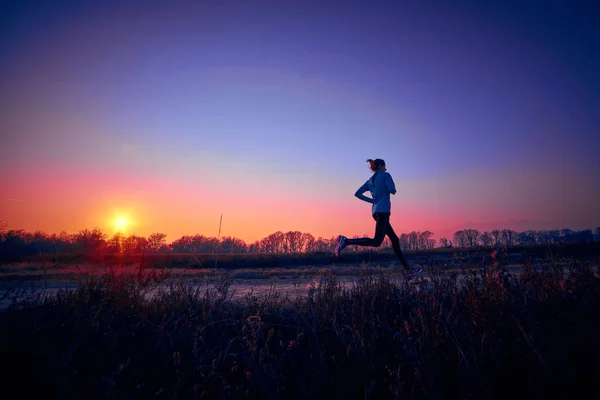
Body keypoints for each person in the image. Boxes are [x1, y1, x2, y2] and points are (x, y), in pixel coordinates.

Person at [335, 158, 423, 278]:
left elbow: (357, 193)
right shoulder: (386, 175)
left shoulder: (370, 181)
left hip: (376, 212)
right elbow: (393, 190)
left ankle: (407, 269)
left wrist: (372, 200)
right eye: (384, 166)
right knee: (377, 241)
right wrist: (388, 186)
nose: (386, 168)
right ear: (381, 165)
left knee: (395, 240)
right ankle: (346, 241)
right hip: (383, 212)